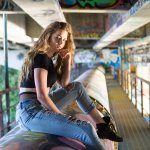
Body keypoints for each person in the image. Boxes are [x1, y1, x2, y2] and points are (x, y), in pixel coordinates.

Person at [16, 21, 123, 150]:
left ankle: (102, 126)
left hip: (39, 107)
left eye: (64, 40)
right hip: (30, 112)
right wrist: (61, 117)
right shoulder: (41, 57)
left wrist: (67, 61)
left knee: (77, 87)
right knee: (86, 127)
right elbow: (42, 96)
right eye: (58, 38)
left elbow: (65, 84)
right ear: (48, 36)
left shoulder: (49, 59)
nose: (61, 43)